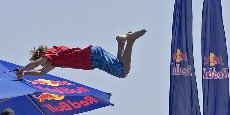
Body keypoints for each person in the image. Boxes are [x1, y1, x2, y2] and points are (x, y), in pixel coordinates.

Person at [16, 29, 147, 79]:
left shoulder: (51, 53)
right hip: (94, 56)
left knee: (122, 73)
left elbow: (37, 64)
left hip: (92, 58)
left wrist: (22, 69)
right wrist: (25, 74)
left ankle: (130, 41)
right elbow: (41, 72)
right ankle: (121, 42)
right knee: (120, 66)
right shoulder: (55, 60)